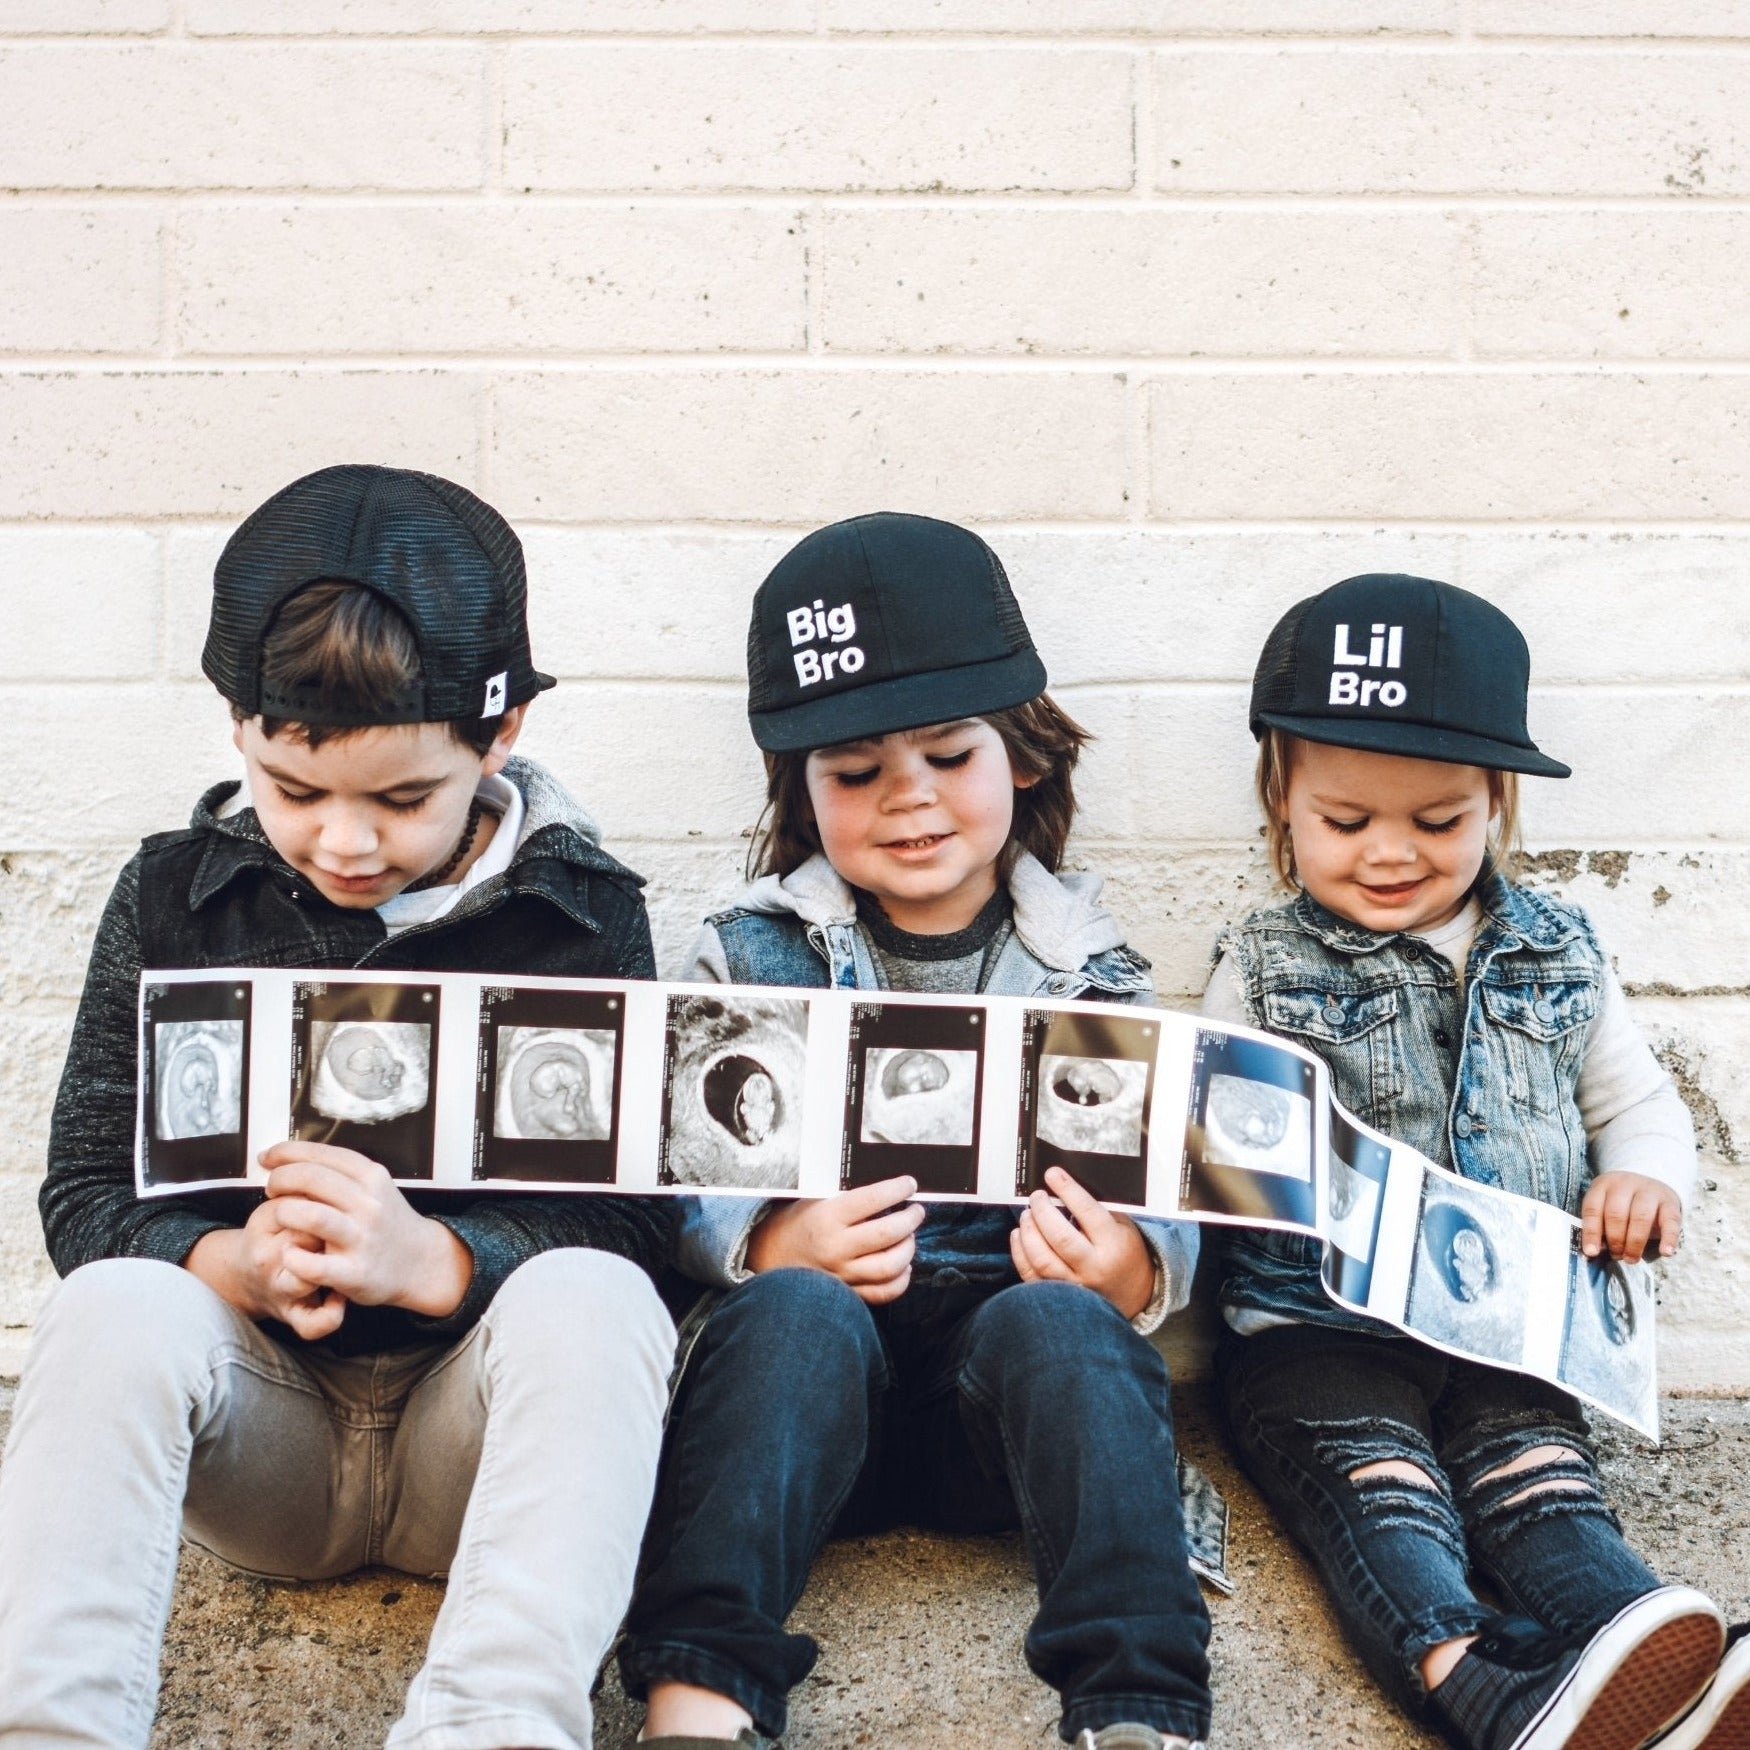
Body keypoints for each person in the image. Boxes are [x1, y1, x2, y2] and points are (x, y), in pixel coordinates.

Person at [0, 464, 676, 1750]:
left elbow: (639, 1224)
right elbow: (83, 1191)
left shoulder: (583, 913)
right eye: (295, 790)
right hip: (260, 1438)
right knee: (109, 1306)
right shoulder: (172, 894)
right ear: (237, 730)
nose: (345, 842)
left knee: (602, 1298)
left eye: (403, 799)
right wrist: (230, 1264)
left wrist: (436, 1261)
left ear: (500, 738)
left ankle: (494, 1728)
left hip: (470, 1447)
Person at [618, 512, 1214, 1750]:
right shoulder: (748, 953)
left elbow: (1162, 1184)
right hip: (799, 1412)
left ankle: (1137, 1707)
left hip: (992, 1409)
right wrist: (766, 1242)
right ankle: (700, 1698)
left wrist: (1131, 1266)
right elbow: (671, 1179)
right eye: (854, 774)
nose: (909, 799)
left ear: (1025, 757)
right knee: (793, 1313)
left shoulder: (1089, 969)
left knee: (1064, 1322)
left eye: (949, 754)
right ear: (800, 789)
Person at [1204, 572, 1744, 1750]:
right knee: (1380, 1489)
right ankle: (1479, 1682)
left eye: (1438, 821)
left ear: (1496, 802)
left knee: (1541, 1480)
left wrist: (1645, 1177)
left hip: (1513, 1328)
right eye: (1346, 821)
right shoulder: (1260, 964)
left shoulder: (1558, 950)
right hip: (1314, 1333)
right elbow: (1209, 1151)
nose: (1391, 853)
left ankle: (1655, 1653)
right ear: (1280, 798)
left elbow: (1637, 1103)